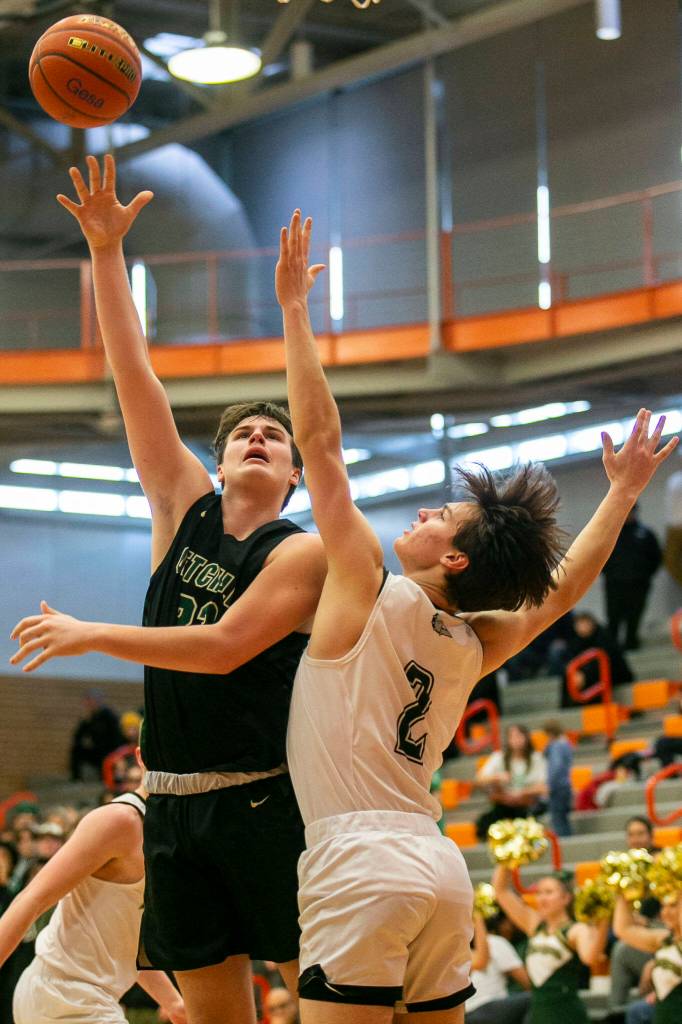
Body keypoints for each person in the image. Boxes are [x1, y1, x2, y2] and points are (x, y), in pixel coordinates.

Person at [274, 210, 676, 1023]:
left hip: (356, 857)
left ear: (453, 559)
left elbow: (318, 444)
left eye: (440, 517)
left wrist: (292, 309)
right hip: (438, 865)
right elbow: (561, 590)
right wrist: (624, 491)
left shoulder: (364, 586)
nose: (424, 512)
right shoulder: (474, 640)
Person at [10, 154, 327, 1024]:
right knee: (217, 1012)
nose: (258, 439)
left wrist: (93, 634)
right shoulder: (182, 505)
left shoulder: (299, 552)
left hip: (262, 796)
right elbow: (133, 374)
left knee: (322, 999)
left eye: (275, 436)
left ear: (295, 477)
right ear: (218, 465)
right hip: (169, 807)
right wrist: (108, 252)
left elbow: (225, 650)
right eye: (243, 435)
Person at [0, 771, 185, 1024]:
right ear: (143, 758)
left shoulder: (165, 832)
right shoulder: (121, 820)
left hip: (80, 998)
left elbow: (124, 941)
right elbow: (31, 899)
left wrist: (174, 1004)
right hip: (63, 996)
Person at [493, 867, 609, 1024]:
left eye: (548, 892)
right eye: (539, 893)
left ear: (566, 898)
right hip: (539, 1012)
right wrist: (506, 859)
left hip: (566, 1013)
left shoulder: (576, 930)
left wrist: (603, 921)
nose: (542, 898)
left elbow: (590, 957)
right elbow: (501, 891)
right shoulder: (534, 926)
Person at [614, 892, 682, 1022]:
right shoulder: (664, 939)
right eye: (663, 906)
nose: (665, 912)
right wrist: (621, 890)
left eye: (673, 905)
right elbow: (623, 929)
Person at [602, 504, 662, 650]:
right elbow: (599, 557)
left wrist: (645, 575)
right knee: (613, 617)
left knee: (634, 616)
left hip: (638, 583)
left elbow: (656, 557)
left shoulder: (645, 533)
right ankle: (612, 648)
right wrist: (610, 574)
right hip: (615, 584)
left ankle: (631, 643)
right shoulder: (610, 533)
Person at [473, 725, 547, 840]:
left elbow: (544, 787)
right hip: (503, 806)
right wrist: (497, 777)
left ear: (526, 738)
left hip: (527, 806)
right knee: (483, 825)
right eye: (512, 736)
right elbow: (479, 779)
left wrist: (522, 793)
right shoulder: (499, 757)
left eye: (519, 736)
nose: (516, 740)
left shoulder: (536, 758)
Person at [465, 911, 530, 1024]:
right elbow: (527, 982)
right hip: (487, 1008)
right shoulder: (494, 942)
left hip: (465, 1016)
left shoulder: (455, 951)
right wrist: (478, 917)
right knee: (539, 999)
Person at [558, 610, 633, 707]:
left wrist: (584, 674)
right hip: (589, 674)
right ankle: (567, 709)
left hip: (614, 675)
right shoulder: (575, 641)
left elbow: (608, 660)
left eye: (585, 623)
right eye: (579, 624)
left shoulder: (604, 637)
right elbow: (569, 659)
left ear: (592, 623)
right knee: (568, 676)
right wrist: (576, 673)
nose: (582, 627)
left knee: (593, 678)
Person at [69, 688, 125, 781]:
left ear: (97, 701)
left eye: (90, 701)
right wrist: (85, 720)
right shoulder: (91, 717)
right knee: (77, 750)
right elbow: (78, 735)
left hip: (109, 749)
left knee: (103, 753)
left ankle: (104, 777)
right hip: (96, 749)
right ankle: (76, 778)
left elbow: (116, 736)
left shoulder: (109, 715)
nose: (88, 704)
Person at [543, 720, 573, 837]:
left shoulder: (556, 746)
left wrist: (549, 784)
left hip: (558, 787)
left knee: (558, 820)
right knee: (563, 819)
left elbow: (556, 766)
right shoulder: (566, 744)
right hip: (565, 785)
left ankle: (564, 844)